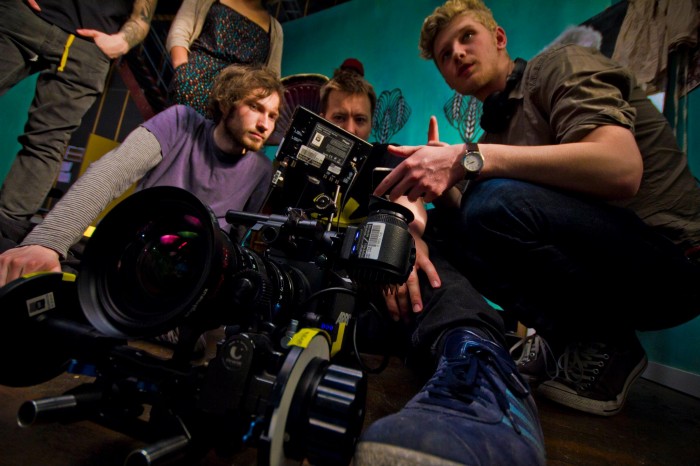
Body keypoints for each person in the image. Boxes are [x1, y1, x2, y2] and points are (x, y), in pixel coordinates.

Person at [374, 0, 700, 418]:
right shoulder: (496, 131)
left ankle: (607, 341)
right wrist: (440, 191)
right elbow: (482, 221)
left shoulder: (561, 64)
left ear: (499, 38)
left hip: (676, 262)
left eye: (467, 36)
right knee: (444, 227)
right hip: (612, 260)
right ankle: (524, 340)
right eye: (444, 55)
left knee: (491, 203)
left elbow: (621, 169)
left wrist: (468, 157)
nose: (457, 53)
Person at [312, 63, 545, 465]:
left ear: (372, 122)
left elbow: (410, 201)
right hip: (322, 298)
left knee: (421, 260)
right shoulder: (300, 167)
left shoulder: (385, 157)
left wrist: (405, 235)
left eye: (360, 119)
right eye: (339, 117)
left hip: (386, 297)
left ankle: (482, 376)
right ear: (321, 118)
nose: (350, 127)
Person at [0, 64, 284, 287]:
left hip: (182, 277)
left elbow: (239, 242)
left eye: (272, 115)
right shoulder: (180, 121)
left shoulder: (262, 170)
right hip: (130, 247)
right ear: (226, 103)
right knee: (9, 234)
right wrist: (47, 242)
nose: (265, 124)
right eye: (255, 107)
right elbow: (111, 173)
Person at [0, 0, 157, 245]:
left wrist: (123, 41)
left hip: (89, 48)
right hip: (25, 19)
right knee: (46, 144)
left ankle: (4, 231)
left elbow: (143, 15)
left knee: (47, 142)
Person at [166, 0, 283, 117]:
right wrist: (184, 75)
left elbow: (272, 79)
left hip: (237, 102)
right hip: (194, 83)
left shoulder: (275, 29)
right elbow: (179, 34)